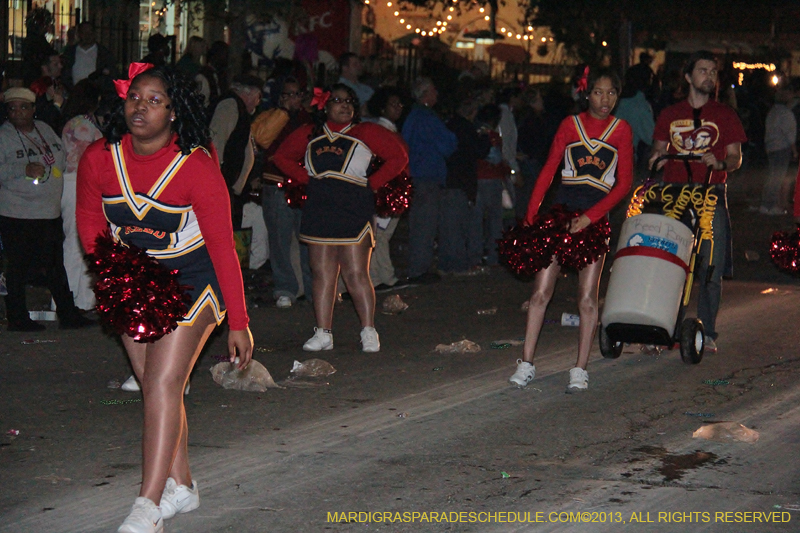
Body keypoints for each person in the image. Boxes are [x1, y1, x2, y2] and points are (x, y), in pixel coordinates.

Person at [76, 64, 254, 533]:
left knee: (159, 386)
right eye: (135, 96)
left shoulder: (195, 164)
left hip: (194, 279)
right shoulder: (99, 157)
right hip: (132, 278)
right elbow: (90, 223)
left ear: (175, 112)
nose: (141, 107)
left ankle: (148, 505)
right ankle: (184, 486)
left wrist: (239, 320)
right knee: (158, 387)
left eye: (155, 100)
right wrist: (112, 277)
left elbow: (221, 245)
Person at [509, 68, 633, 392]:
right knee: (540, 293)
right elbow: (549, 169)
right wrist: (531, 216)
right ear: (586, 93)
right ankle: (526, 362)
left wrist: (591, 218)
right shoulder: (570, 125)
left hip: (594, 219)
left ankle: (580, 368)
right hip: (562, 215)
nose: (605, 100)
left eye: (611, 93)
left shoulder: (621, 130)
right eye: (598, 92)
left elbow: (624, 184)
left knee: (587, 298)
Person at [274, 83, 407, 352]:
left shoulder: (366, 131)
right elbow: (280, 156)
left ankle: (368, 330)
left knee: (356, 273)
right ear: (325, 106)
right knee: (322, 274)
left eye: (350, 101)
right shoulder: (309, 133)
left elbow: (399, 157)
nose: (345, 105)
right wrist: (309, 181)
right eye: (337, 100)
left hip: (354, 207)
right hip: (319, 208)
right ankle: (323, 332)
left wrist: (372, 184)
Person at [649, 50, 746, 354]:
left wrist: (719, 164)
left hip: (710, 194)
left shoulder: (725, 115)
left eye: (714, 72)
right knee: (671, 263)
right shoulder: (669, 114)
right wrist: (656, 160)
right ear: (689, 77)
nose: (710, 77)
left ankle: (707, 330)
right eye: (703, 70)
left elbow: (735, 158)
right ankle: (668, 328)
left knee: (710, 267)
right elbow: (657, 155)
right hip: (675, 194)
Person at [0, 87, 94, 332]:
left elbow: (59, 155)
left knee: (55, 266)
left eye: (23, 107)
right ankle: (17, 317)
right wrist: (23, 170)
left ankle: (68, 314)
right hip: (17, 213)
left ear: (33, 109)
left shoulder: (45, 129)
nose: (17, 112)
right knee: (18, 268)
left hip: (48, 212)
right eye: (12, 108)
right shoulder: (4, 136)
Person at [257, 77, 313, 308]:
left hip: (303, 185)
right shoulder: (270, 118)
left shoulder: (309, 120)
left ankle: (313, 289)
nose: (292, 99)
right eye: (287, 95)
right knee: (279, 240)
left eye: (296, 94)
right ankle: (285, 288)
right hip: (276, 184)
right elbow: (262, 143)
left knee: (308, 240)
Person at [401, 77, 458, 283]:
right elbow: (447, 144)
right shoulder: (427, 117)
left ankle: (418, 266)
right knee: (425, 224)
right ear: (425, 94)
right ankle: (419, 269)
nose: (436, 95)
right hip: (427, 175)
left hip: (416, 174)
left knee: (418, 223)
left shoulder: (414, 116)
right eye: (433, 91)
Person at [61, 79, 104, 311]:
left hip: (73, 183)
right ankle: (74, 300)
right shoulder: (83, 124)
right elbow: (85, 160)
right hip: (79, 183)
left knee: (79, 241)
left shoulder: (75, 121)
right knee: (77, 242)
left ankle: (77, 299)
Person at [365, 86, 408, 291]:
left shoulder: (391, 130)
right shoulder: (381, 132)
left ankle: (381, 277)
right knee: (378, 235)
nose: (398, 108)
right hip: (385, 189)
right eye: (393, 104)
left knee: (382, 235)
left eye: (400, 104)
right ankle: (380, 278)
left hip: (394, 190)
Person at [208, 74, 263, 228]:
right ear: (250, 93)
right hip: (221, 187)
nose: (258, 103)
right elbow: (215, 145)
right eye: (258, 97)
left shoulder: (239, 109)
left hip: (229, 189)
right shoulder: (229, 106)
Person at [759, 85, 797, 215]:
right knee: (778, 178)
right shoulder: (785, 113)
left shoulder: (773, 112)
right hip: (781, 147)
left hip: (772, 147)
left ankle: (765, 204)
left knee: (772, 176)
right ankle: (773, 205)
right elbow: (789, 133)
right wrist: (794, 150)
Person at [61, 21, 117, 89]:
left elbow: (111, 75)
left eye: (90, 32)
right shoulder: (70, 53)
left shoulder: (104, 54)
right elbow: (64, 73)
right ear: (79, 34)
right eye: (84, 32)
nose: (87, 35)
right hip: (74, 93)